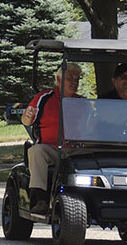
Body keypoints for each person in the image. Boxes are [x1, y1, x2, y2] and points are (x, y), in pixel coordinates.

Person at [21, 63, 84, 213]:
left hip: (76, 151)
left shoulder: (83, 102)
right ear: (58, 79)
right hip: (52, 149)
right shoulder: (44, 98)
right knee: (36, 151)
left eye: (77, 79)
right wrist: (27, 116)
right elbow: (26, 120)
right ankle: (41, 199)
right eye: (70, 78)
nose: (74, 82)